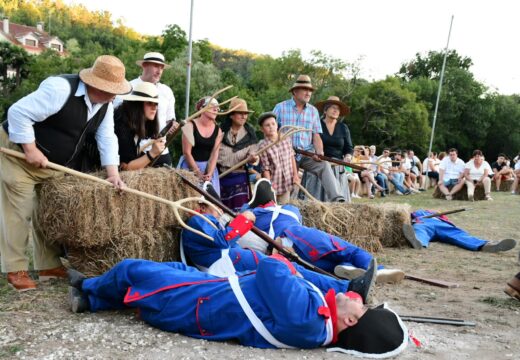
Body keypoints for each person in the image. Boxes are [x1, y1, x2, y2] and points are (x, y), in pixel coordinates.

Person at [66, 255, 409, 357]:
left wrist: (284, 266)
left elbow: (272, 267)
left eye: (362, 307)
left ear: (348, 322)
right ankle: (91, 301)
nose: (358, 300)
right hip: (212, 292)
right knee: (168, 268)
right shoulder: (319, 319)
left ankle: (87, 287)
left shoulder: (306, 320)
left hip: (196, 304)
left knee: (132, 269)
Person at [0, 55, 130, 291]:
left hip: (54, 164)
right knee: (19, 211)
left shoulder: (106, 105)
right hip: (17, 154)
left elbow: (107, 137)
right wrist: (30, 148)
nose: (115, 95)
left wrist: (112, 173)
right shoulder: (59, 89)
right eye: (111, 90)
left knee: (49, 210)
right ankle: (15, 268)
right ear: (95, 84)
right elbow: (17, 113)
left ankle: (47, 265)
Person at [241, 179, 405, 283]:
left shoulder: (252, 212)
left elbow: (239, 217)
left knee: (322, 265)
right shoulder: (290, 209)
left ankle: (344, 268)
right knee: (347, 250)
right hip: (297, 236)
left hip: (281, 251)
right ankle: (379, 270)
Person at [273, 75, 344, 202]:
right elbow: (271, 133)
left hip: (306, 154)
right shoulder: (280, 107)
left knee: (324, 165)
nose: (308, 93)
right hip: (285, 155)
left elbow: (316, 135)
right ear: (295, 91)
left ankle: (337, 199)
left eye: (310, 90)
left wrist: (319, 152)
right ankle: (287, 205)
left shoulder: (313, 111)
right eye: (305, 89)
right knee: (290, 185)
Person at [114, 52, 177, 166]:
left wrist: (172, 126)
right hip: (136, 151)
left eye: (161, 67)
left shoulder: (166, 91)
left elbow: (170, 120)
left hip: (160, 150)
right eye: (155, 66)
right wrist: (150, 154)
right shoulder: (127, 88)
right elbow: (126, 167)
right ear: (144, 65)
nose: (159, 71)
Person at [301, 96, 353, 202]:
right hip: (319, 165)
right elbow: (308, 143)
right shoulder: (316, 124)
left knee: (338, 204)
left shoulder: (343, 128)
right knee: (314, 203)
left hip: (337, 167)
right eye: (333, 107)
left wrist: (348, 156)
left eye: (338, 109)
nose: (335, 110)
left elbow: (349, 148)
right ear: (325, 110)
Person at [402, 209, 517, 252]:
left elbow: (446, 219)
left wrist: (439, 215)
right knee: (420, 230)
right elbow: (405, 214)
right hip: (422, 222)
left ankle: (486, 245)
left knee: (459, 235)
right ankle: (418, 242)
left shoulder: (439, 217)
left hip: (438, 224)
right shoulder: (418, 213)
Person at [114, 82, 167, 170]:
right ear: (137, 105)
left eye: (156, 103)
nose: (154, 108)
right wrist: (152, 153)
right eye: (149, 103)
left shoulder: (136, 122)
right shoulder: (122, 125)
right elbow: (126, 168)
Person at [217, 98, 258, 211]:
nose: (244, 116)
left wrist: (252, 158)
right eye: (240, 113)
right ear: (231, 115)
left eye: (246, 114)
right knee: (221, 213)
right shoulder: (220, 132)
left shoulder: (250, 134)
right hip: (221, 178)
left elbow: (254, 153)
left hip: (240, 179)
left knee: (239, 213)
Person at [178, 96, 223, 194]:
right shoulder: (189, 126)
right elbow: (186, 152)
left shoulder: (218, 130)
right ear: (202, 108)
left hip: (208, 169)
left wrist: (210, 173)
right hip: (189, 168)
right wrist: (197, 172)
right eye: (212, 106)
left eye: (217, 107)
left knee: (210, 203)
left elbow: (215, 154)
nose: (216, 109)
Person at [257, 112, 300, 204]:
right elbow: (266, 168)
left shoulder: (286, 139)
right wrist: (269, 186)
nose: (271, 127)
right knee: (273, 206)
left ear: (277, 125)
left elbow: (291, 157)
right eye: (267, 125)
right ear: (262, 129)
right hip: (275, 183)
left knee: (285, 206)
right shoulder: (263, 146)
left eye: (273, 124)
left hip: (287, 181)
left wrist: (295, 175)